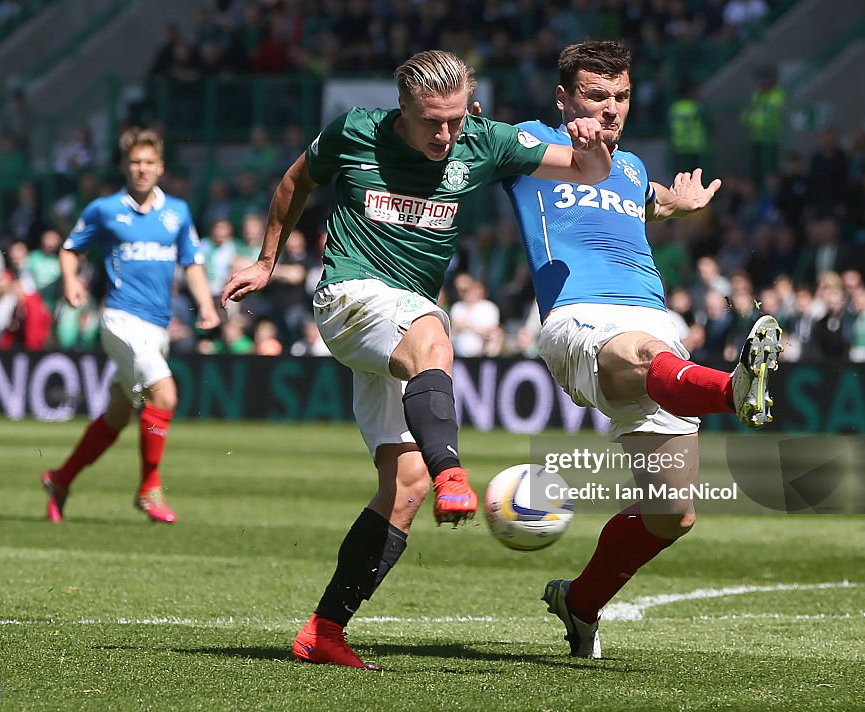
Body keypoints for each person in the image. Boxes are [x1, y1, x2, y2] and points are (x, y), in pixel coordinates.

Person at [221, 49, 612, 669]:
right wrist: (267, 260)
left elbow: (587, 172)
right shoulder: (354, 132)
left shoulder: (482, 142)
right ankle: (452, 470)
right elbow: (296, 181)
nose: (445, 134)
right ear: (400, 107)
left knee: (402, 488)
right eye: (432, 120)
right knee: (434, 336)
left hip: (401, 314)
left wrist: (592, 141)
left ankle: (324, 630)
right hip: (351, 296)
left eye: (456, 119)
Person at [501, 40, 782, 660]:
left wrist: (675, 205)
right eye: (595, 95)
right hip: (579, 319)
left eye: (620, 96)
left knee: (671, 513)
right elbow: (460, 139)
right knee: (637, 351)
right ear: (563, 98)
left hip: (657, 327)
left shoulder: (627, 168)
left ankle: (579, 604)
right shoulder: (525, 143)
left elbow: (639, 202)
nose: (610, 108)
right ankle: (732, 390)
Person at [41, 128, 220, 524]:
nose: (142, 169)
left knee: (119, 415)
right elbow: (71, 250)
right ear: (124, 166)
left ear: (161, 168)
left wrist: (206, 303)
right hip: (120, 319)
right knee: (165, 395)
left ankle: (60, 478)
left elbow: (192, 262)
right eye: (135, 162)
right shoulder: (104, 209)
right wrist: (71, 280)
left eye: (149, 163)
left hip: (157, 327)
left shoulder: (178, 212)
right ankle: (148, 489)